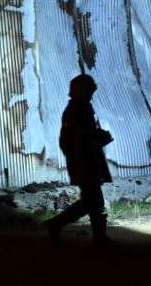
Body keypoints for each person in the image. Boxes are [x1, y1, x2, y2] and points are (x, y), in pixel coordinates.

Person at [45, 73, 116, 246]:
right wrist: (99, 137)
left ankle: (57, 224)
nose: (93, 92)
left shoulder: (80, 108)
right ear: (83, 90)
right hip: (85, 162)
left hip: (85, 161)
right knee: (94, 201)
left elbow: (78, 137)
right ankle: (98, 238)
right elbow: (77, 137)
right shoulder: (78, 109)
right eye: (90, 89)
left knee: (91, 201)